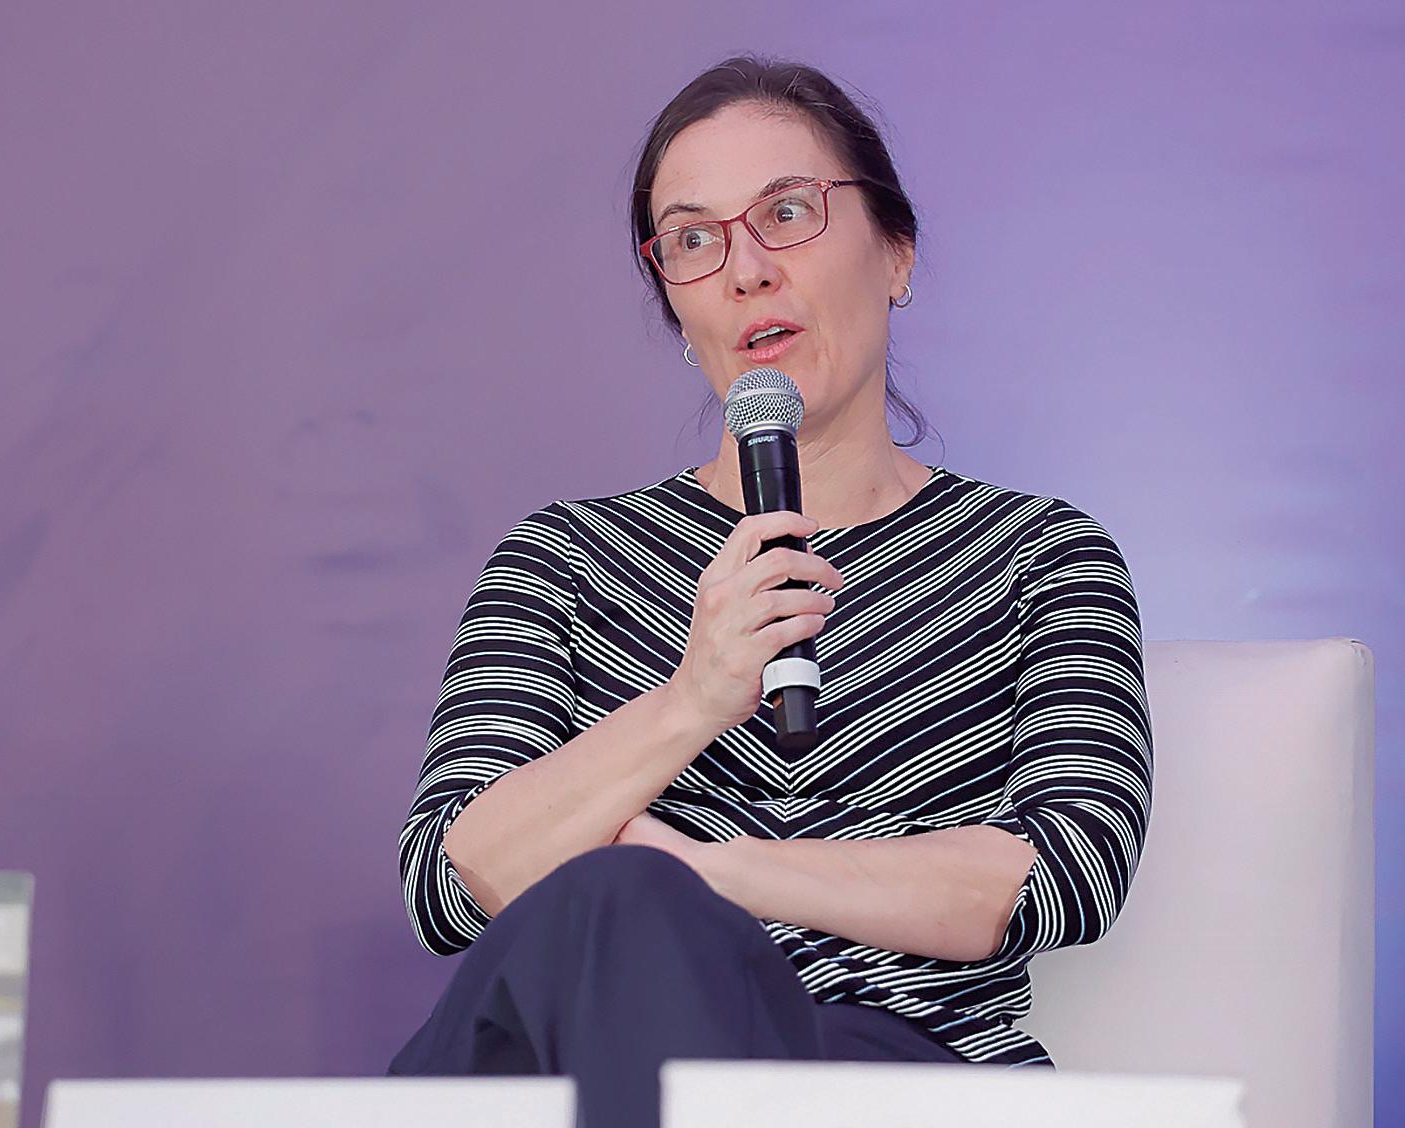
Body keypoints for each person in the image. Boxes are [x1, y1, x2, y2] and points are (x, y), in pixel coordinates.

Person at [388, 54, 1153, 1128]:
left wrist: (703, 869)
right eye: (693, 240)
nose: (744, 270)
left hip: (888, 1072)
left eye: (786, 214)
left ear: (895, 252)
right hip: (575, 1062)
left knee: (623, 896)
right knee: (608, 919)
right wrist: (692, 699)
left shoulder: (1034, 554)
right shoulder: (565, 558)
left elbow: (1063, 871)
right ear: (674, 302)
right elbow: (449, 882)